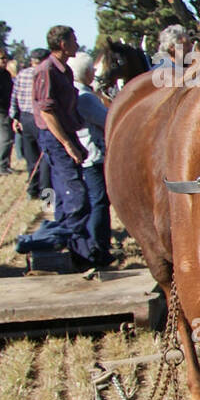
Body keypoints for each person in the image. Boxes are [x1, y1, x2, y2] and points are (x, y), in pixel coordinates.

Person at [29, 25, 96, 268]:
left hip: (67, 134)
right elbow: (47, 113)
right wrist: (67, 144)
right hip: (55, 138)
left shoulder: (64, 70)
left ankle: (72, 253)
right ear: (62, 44)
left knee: (67, 196)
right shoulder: (46, 70)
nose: (77, 43)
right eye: (74, 39)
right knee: (76, 197)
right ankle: (56, 244)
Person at [69, 52, 111, 267]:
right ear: (86, 73)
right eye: (92, 71)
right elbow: (107, 120)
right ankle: (99, 248)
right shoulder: (85, 97)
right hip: (93, 156)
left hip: (84, 154)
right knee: (99, 202)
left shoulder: (76, 93)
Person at [10, 47, 52, 200]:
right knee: (46, 157)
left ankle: (32, 189)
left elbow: (14, 97)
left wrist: (15, 118)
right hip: (40, 118)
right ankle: (46, 194)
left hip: (25, 119)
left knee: (31, 157)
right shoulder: (44, 74)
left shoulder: (22, 74)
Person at [0, 49, 13, 172]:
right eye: (1, 58)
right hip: (2, 111)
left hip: (6, 109)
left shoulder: (6, 74)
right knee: (6, 139)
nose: (4, 60)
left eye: (5, 58)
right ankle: (2, 166)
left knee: (8, 138)